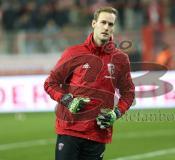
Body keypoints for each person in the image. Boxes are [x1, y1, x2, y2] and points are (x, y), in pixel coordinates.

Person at [44, 6, 135, 160]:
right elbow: (50, 83)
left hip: (98, 133)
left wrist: (116, 113)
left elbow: (128, 93)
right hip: (70, 130)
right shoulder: (73, 53)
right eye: (103, 22)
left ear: (114, 27)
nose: (106, 27)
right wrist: (67, 100)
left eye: (110, 24)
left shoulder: (120, 59)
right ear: (94, 24)